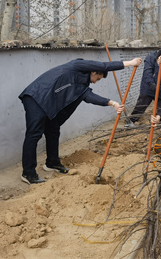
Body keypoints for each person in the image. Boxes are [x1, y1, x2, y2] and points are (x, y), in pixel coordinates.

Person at [18, 56, 142, 184]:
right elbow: (103, 66)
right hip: (36, 97)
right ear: (93, 71)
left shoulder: (82, 85)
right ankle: (28, 173)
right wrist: (130, 63)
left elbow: (89, 96)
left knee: (53, 130)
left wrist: (112, 103)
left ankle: (52, 163)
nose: (96, 82)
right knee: (34, 134)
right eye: (97, 79)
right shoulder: (76, 66)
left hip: (48, 104)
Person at [127, 42, 161, 125]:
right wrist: (152, 84)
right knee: (140, 107)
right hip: (148, 89)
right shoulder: (151, 58)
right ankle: (131, 122)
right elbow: (147, 73)